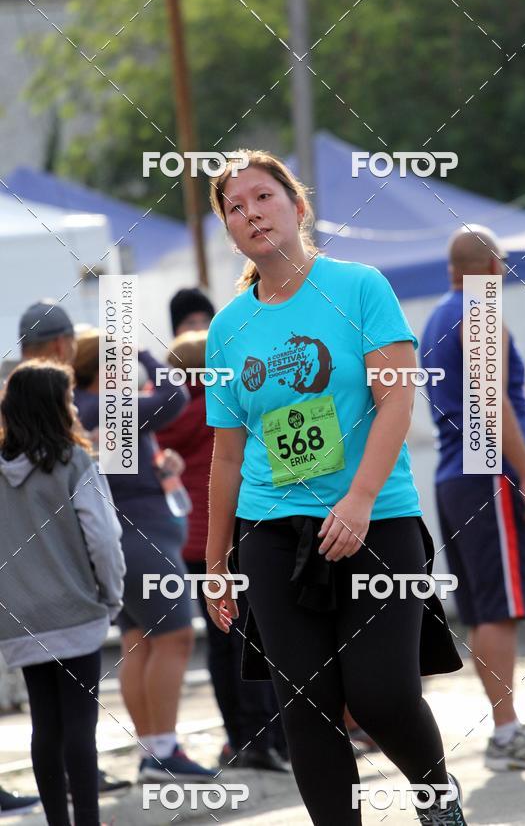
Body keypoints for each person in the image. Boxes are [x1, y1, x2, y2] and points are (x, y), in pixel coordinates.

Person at [203, 150, 468, 826]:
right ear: (228, 229)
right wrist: (215, 564)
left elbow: (397, 399)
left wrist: (357, 499)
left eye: (263, 197)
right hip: (270, 530)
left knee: (380, 695)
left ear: (298, 206)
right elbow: (227, 455)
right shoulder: (228, 328)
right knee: (308, 705)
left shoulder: (358, 287)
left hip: (376, 520)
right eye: (235, 207)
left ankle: (437, 802)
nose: (251, 213)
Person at [421, 225, 525, 771]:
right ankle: (507, 733)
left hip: (455, 475)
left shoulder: (441, 313)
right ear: (491, 265)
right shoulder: (478, 310)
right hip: (488, 472)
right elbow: (495, 404)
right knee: (500, 609)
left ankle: (506, 728)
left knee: (489, 607)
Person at [73, 330, 216, 781]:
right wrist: (142, 350)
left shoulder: (91, 408)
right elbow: (173, 397)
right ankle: (163, 748)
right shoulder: (106, 406)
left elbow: (126, 466)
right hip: (142, 540)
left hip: (131, 537)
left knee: (140, 641)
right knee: (175, 639)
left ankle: (154, 749)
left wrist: (159, 466)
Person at [0, 361, 125, 825]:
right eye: (69, 399)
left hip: (19, 617)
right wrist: (111, 597)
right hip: (76, 611)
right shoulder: (76, 464)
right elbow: (104, 539)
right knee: (80, 726)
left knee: (44, 725)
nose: (75, 407)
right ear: (54, 408)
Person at [157, 330, 288, 771]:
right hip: (230, 535)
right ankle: (267, 737)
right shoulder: (221, 408)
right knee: (253, 639)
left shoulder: (162, 416)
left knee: (219, 642)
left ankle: (237, 737)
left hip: (191, 542)